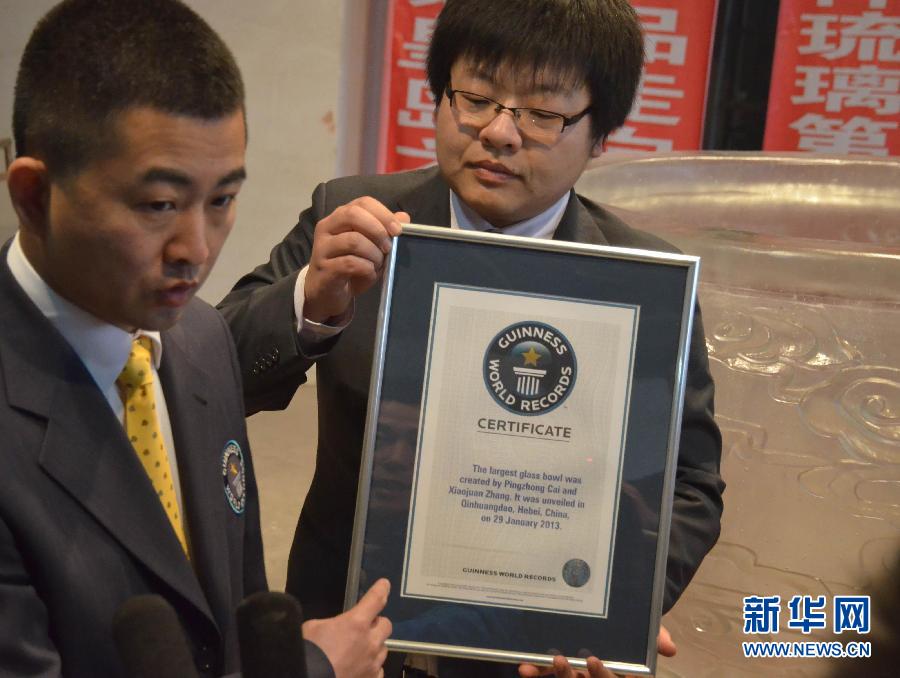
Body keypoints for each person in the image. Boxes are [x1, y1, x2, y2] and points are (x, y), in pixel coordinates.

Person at [219, 0, 724, 676]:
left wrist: (623, 606)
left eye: (543, 113)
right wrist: (312, 299)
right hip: (347, 634)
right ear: (439, 96)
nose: (499, 133)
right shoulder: (353, 216)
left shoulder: (640, 283)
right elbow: (214, 373)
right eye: (476, 98)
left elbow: (691, 484)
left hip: (536, 649)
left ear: (600, 133)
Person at [0, 1, 391, 676]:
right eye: (158, 206)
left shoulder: (200, 340)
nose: (197, 250)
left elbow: (237, 625)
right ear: (34, 195)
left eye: (222, 199)